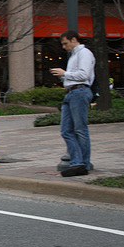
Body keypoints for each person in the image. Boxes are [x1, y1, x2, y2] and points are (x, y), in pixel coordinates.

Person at [51, 30, 96, 177]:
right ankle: (78, 163)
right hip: (72, 92)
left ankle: (82, 163)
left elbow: (84, 75)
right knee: (66, 130)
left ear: (74, 39)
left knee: (80, 129)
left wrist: (65, 74)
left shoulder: (84, 53)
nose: (64, 47)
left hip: (79, 92)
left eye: (65, 43)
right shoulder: (74, 56)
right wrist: (65, 78)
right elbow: (78, 76)